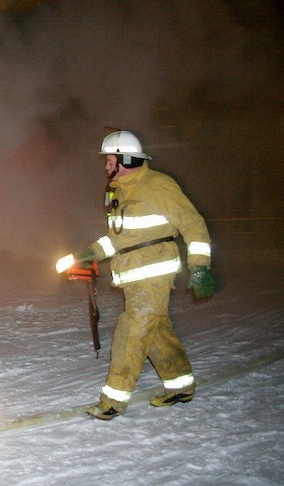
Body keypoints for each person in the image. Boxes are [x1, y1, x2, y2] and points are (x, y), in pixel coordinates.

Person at [56, 130, 215, 420]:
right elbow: (118, 239)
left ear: (125, 160)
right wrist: (89, 253)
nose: (106, 166)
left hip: (154, 274)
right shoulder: (121, 193)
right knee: (156, 333)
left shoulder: (159, 185)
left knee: (130, 332)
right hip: (132, 276)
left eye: (109, 160)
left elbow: (193, 225)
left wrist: (200, 266)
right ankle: (181, 386)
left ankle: (113, 401)